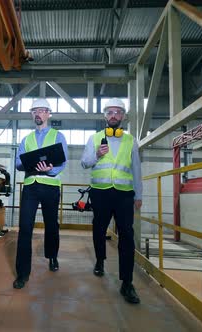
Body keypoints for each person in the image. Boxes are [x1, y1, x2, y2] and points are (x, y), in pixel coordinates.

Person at [80, 98, 142, 304]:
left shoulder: (131, 140)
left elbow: (136, 169)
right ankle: (100, 260)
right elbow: (84, 163)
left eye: (117, 112)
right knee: (99, 229)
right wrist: (97, 155)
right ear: (105, 116)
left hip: (124, 194)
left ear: (123, 116)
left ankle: (127, 282)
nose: (114, 115)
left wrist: (139, 195)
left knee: (127, 235)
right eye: (110, 112)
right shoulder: (95, 138)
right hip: (101, 192)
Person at [13, 98, 68, 289]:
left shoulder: (58, 135)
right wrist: (28, 163)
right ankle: (22, 273)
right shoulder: (26, 139)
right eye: (35, 111)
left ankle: (52, 256)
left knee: (51, 224)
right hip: (30, 185)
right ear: (32, 114)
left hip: (50, 185)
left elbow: (63, 162)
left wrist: (50, 169)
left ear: (48, 114)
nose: (38, 114)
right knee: (25, 228)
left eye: (42, 111)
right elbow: (18, 163)